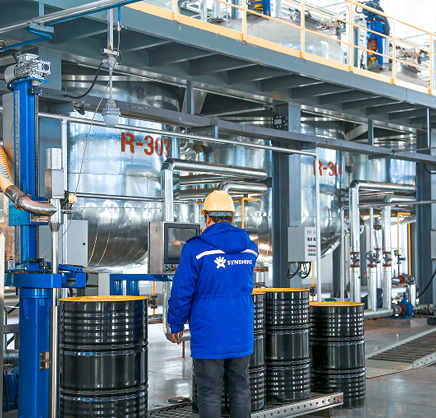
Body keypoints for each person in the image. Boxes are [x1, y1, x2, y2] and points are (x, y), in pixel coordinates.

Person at [168, 190, 259, 418]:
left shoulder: (195, 248)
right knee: (240, 389)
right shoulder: (250, 248)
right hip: (241, 330)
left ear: (207, 216)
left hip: (209, 332)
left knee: (209, 392)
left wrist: (176, 324)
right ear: (232, 217)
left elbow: (182, 291)